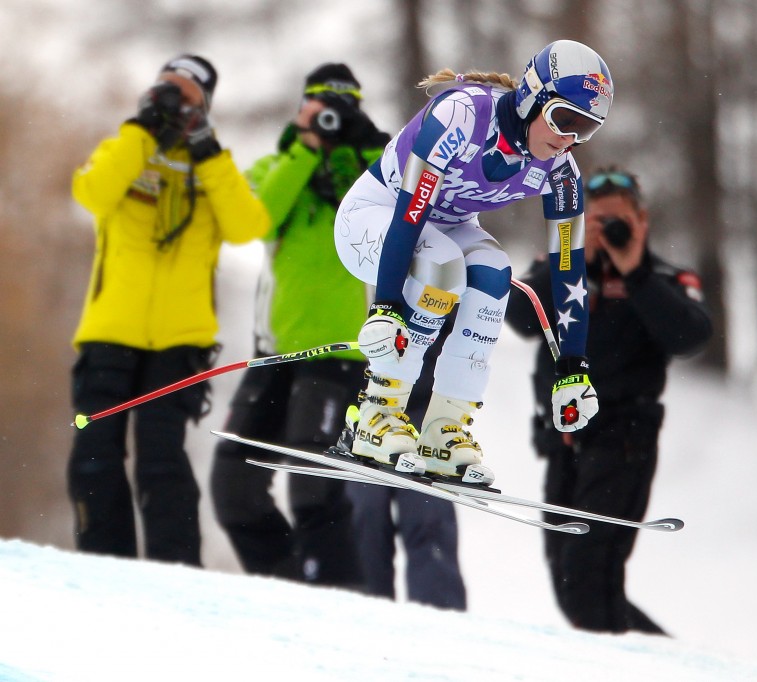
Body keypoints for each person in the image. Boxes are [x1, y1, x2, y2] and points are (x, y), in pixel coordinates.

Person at [333, 40, 614, 487]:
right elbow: (411, 212)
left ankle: (445, 427)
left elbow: (569, 268)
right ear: (531, 97)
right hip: (375, 216)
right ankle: (376, 413)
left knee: (493, 270)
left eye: (586, 128)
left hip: (443, 227)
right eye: (564, 119)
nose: (568, 138)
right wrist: (385, 308)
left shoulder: (562, 171)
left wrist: (573, 366)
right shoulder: (460, 117)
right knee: (442, 266)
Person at [67, 55, 270, 565]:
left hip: (180, 341)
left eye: (185, 97)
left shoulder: (212, 165)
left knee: (162, 460)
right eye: (165, 91)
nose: (173, 103)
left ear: (205, 108)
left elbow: (249, 225)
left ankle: (175, 572)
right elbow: (90, 190)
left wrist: (207, 149)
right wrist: (142, 130)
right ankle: (102, 565)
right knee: (95, 456)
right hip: (110, 331)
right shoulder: (127, 147)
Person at [505, 167, 713, 634]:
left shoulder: (664, 277)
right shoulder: (559, 266)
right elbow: (518, 316)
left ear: (642, 221)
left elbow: (689, 336)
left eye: (618, 222)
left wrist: (634, 271)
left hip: (623, 439)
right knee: (571, 579)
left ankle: (656, 664)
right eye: (596, 221)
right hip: (562, 438)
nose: (608, 231)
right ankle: (670, 661)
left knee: (587, 574)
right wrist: (572, 257)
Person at [209, 63, 391, 586]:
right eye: (319, 104)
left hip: (339, 353)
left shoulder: (374, 168)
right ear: (301, 108)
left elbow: (405, 212)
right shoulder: (277, 162)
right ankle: (290, 590)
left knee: (315, 491)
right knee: (233, 488)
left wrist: (360, 147)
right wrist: (307, 146)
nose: (330, 115)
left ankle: (339, 598)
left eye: (341, 106)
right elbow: (258, 218)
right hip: (274, 353)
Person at [344, 314, 467, 610]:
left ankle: (439, 617)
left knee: (428, 516)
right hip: (365, 406)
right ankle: (364, 613)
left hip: (422, 405)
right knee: (364, 516)